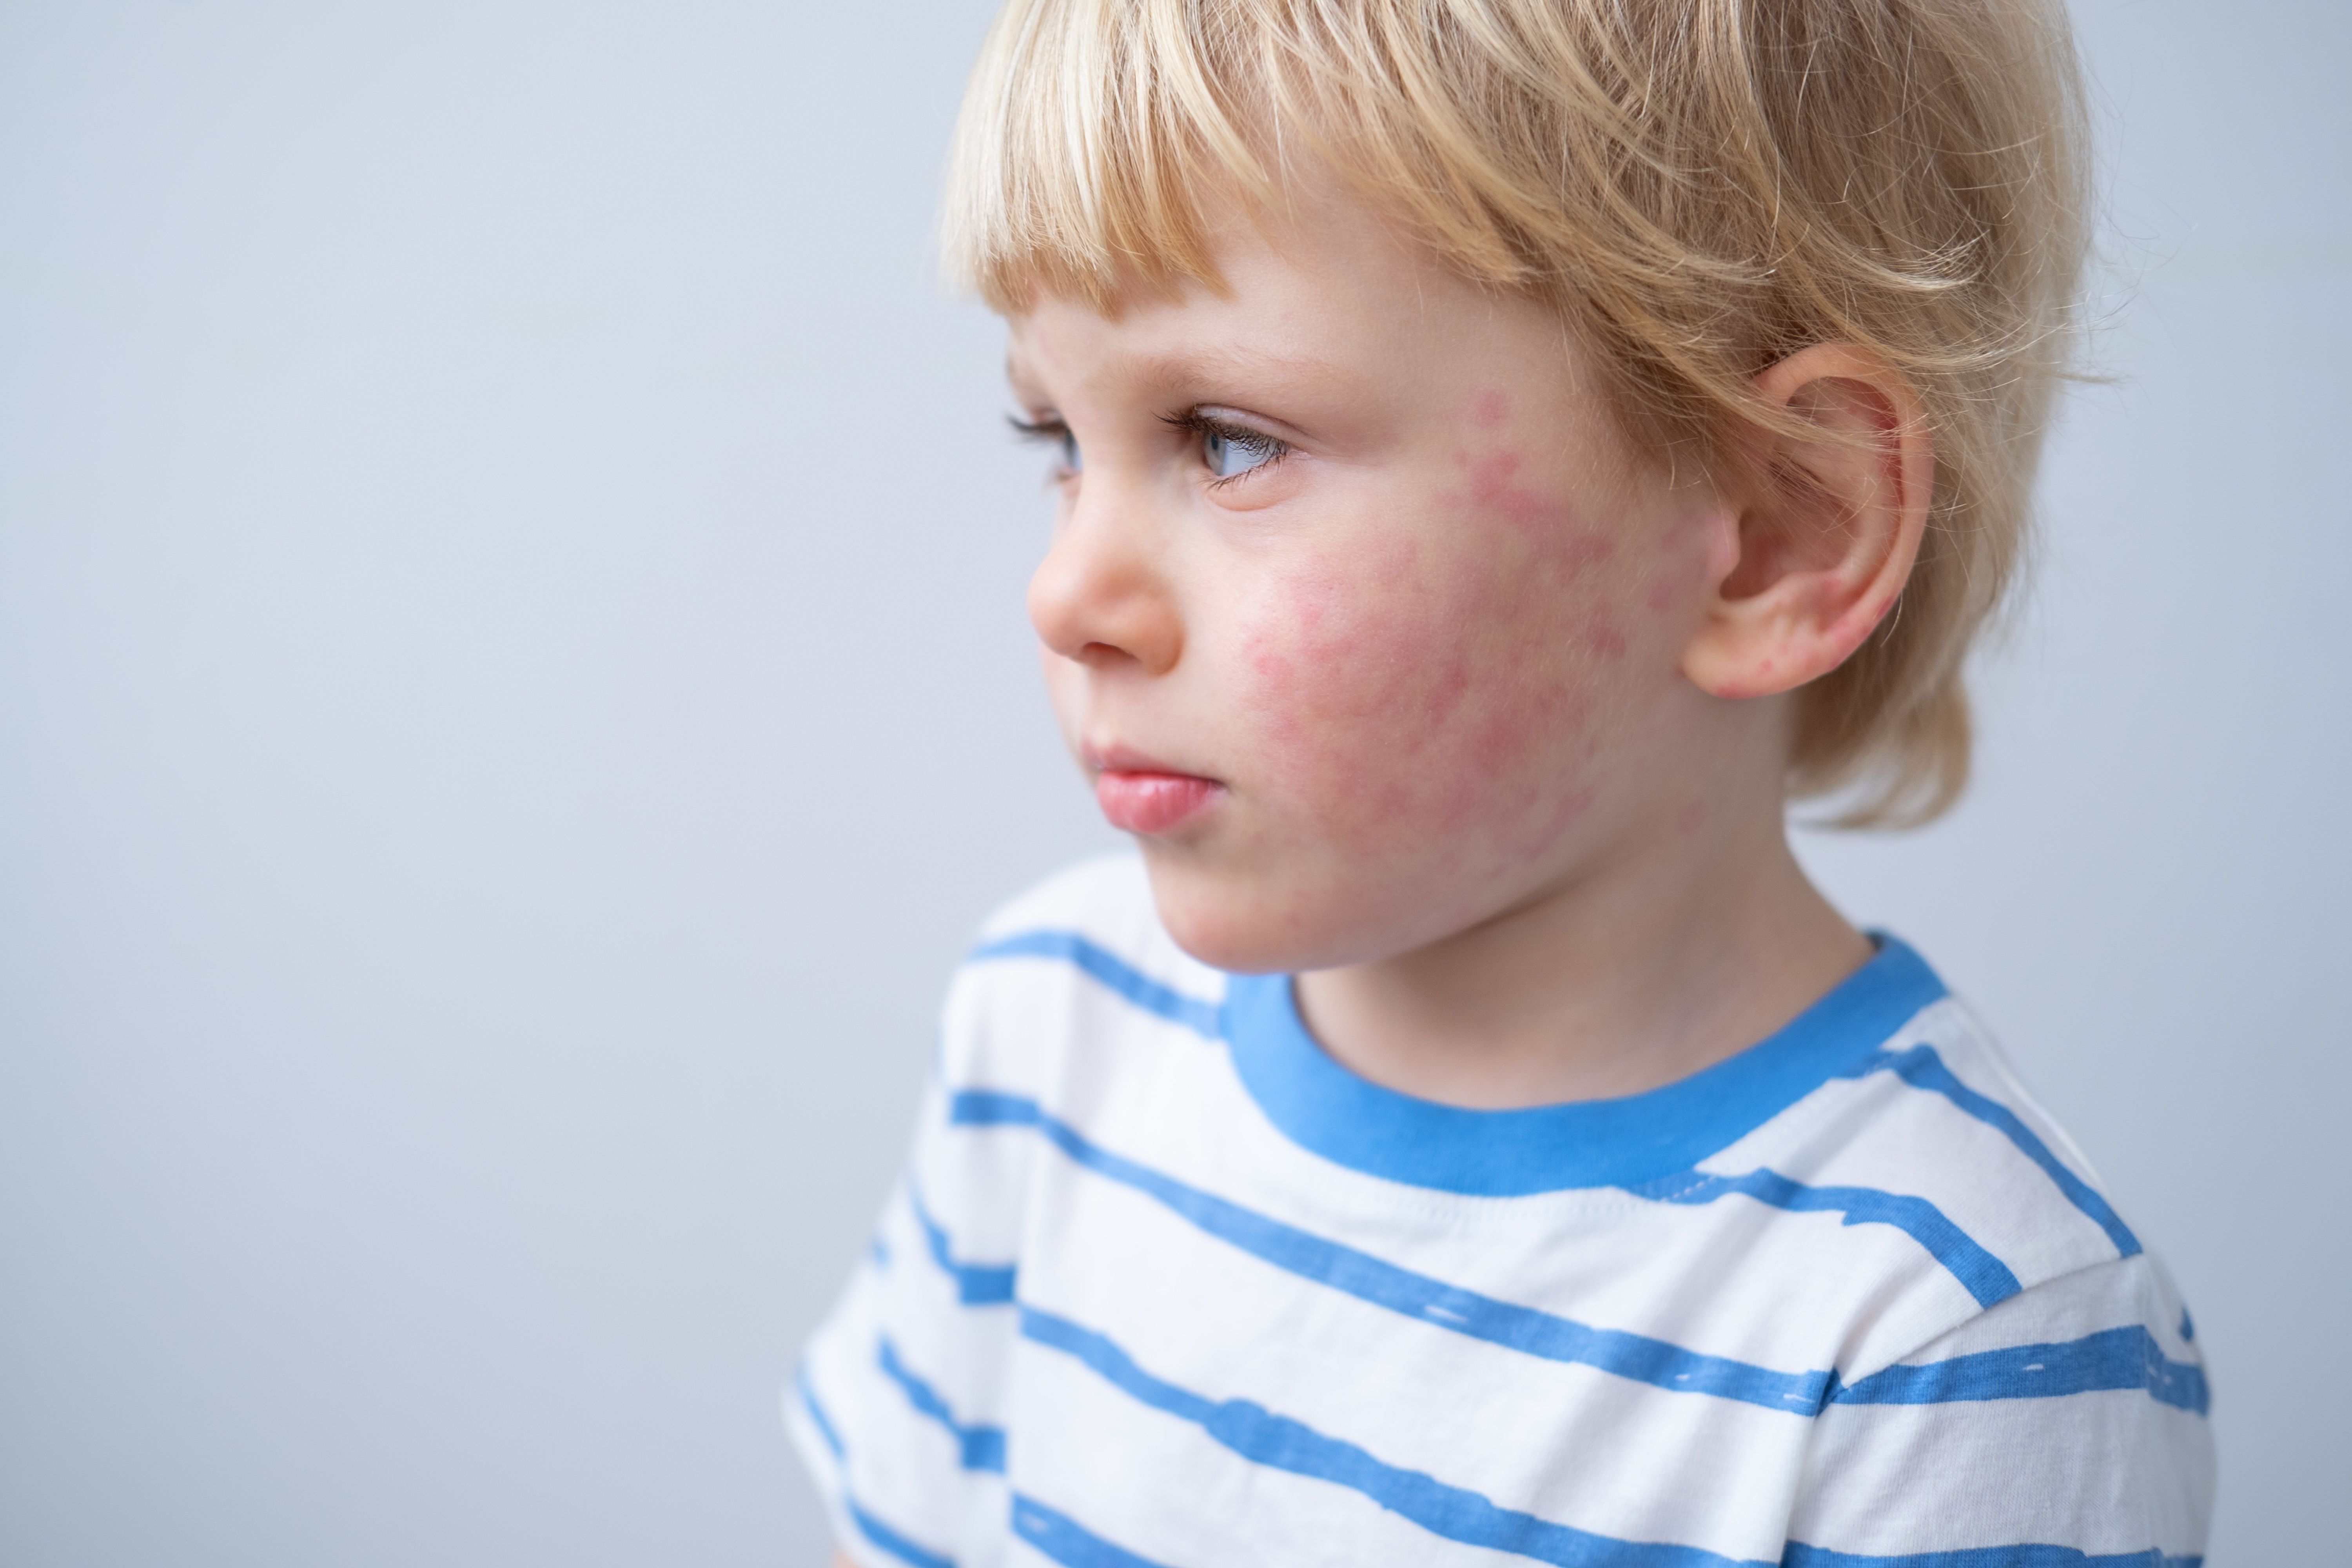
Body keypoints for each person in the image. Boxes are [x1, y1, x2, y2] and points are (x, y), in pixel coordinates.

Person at [789, 1, 2214, 1562]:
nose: (1066, 592)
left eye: (1229, 439)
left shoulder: (1945, 1333)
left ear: (1778, 529)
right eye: (1053, 431)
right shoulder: (1051, 1032)